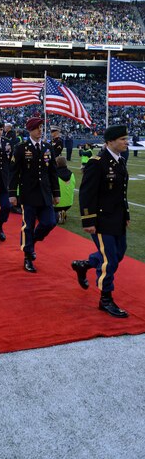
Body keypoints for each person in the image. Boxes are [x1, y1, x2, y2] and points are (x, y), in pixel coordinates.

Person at [72, 125, 130, 318]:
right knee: (110, 259)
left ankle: (84, 265)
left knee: (119, 254)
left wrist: (126, 214)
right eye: (122, 139)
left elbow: (122, 193)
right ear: (110, 142)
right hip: (102, 219)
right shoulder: (97, 163)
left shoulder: (120, 160)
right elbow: (87, 194)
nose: (126, 142)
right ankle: (105, 299)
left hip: (118, 218)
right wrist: (88, 220)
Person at [9, 116, 60, 272]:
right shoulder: (20, 148)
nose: (40, 130)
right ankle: (28, 256)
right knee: (28, 226)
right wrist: (12, 193)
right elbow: (14, 172)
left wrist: (56, 193)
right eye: (37, 128)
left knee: (50, 222)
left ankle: (32, 242)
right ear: (30, 130)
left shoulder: (47, 147)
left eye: (41, 128)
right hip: (28, 194)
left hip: (45, 193)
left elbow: (52, 171)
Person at [54, 156, 75, 224]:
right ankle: (62, 212)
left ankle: (58, 215)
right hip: (69, 203)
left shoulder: (54, 174)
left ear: (57, 163)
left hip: (56, 204)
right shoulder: (71, 174)